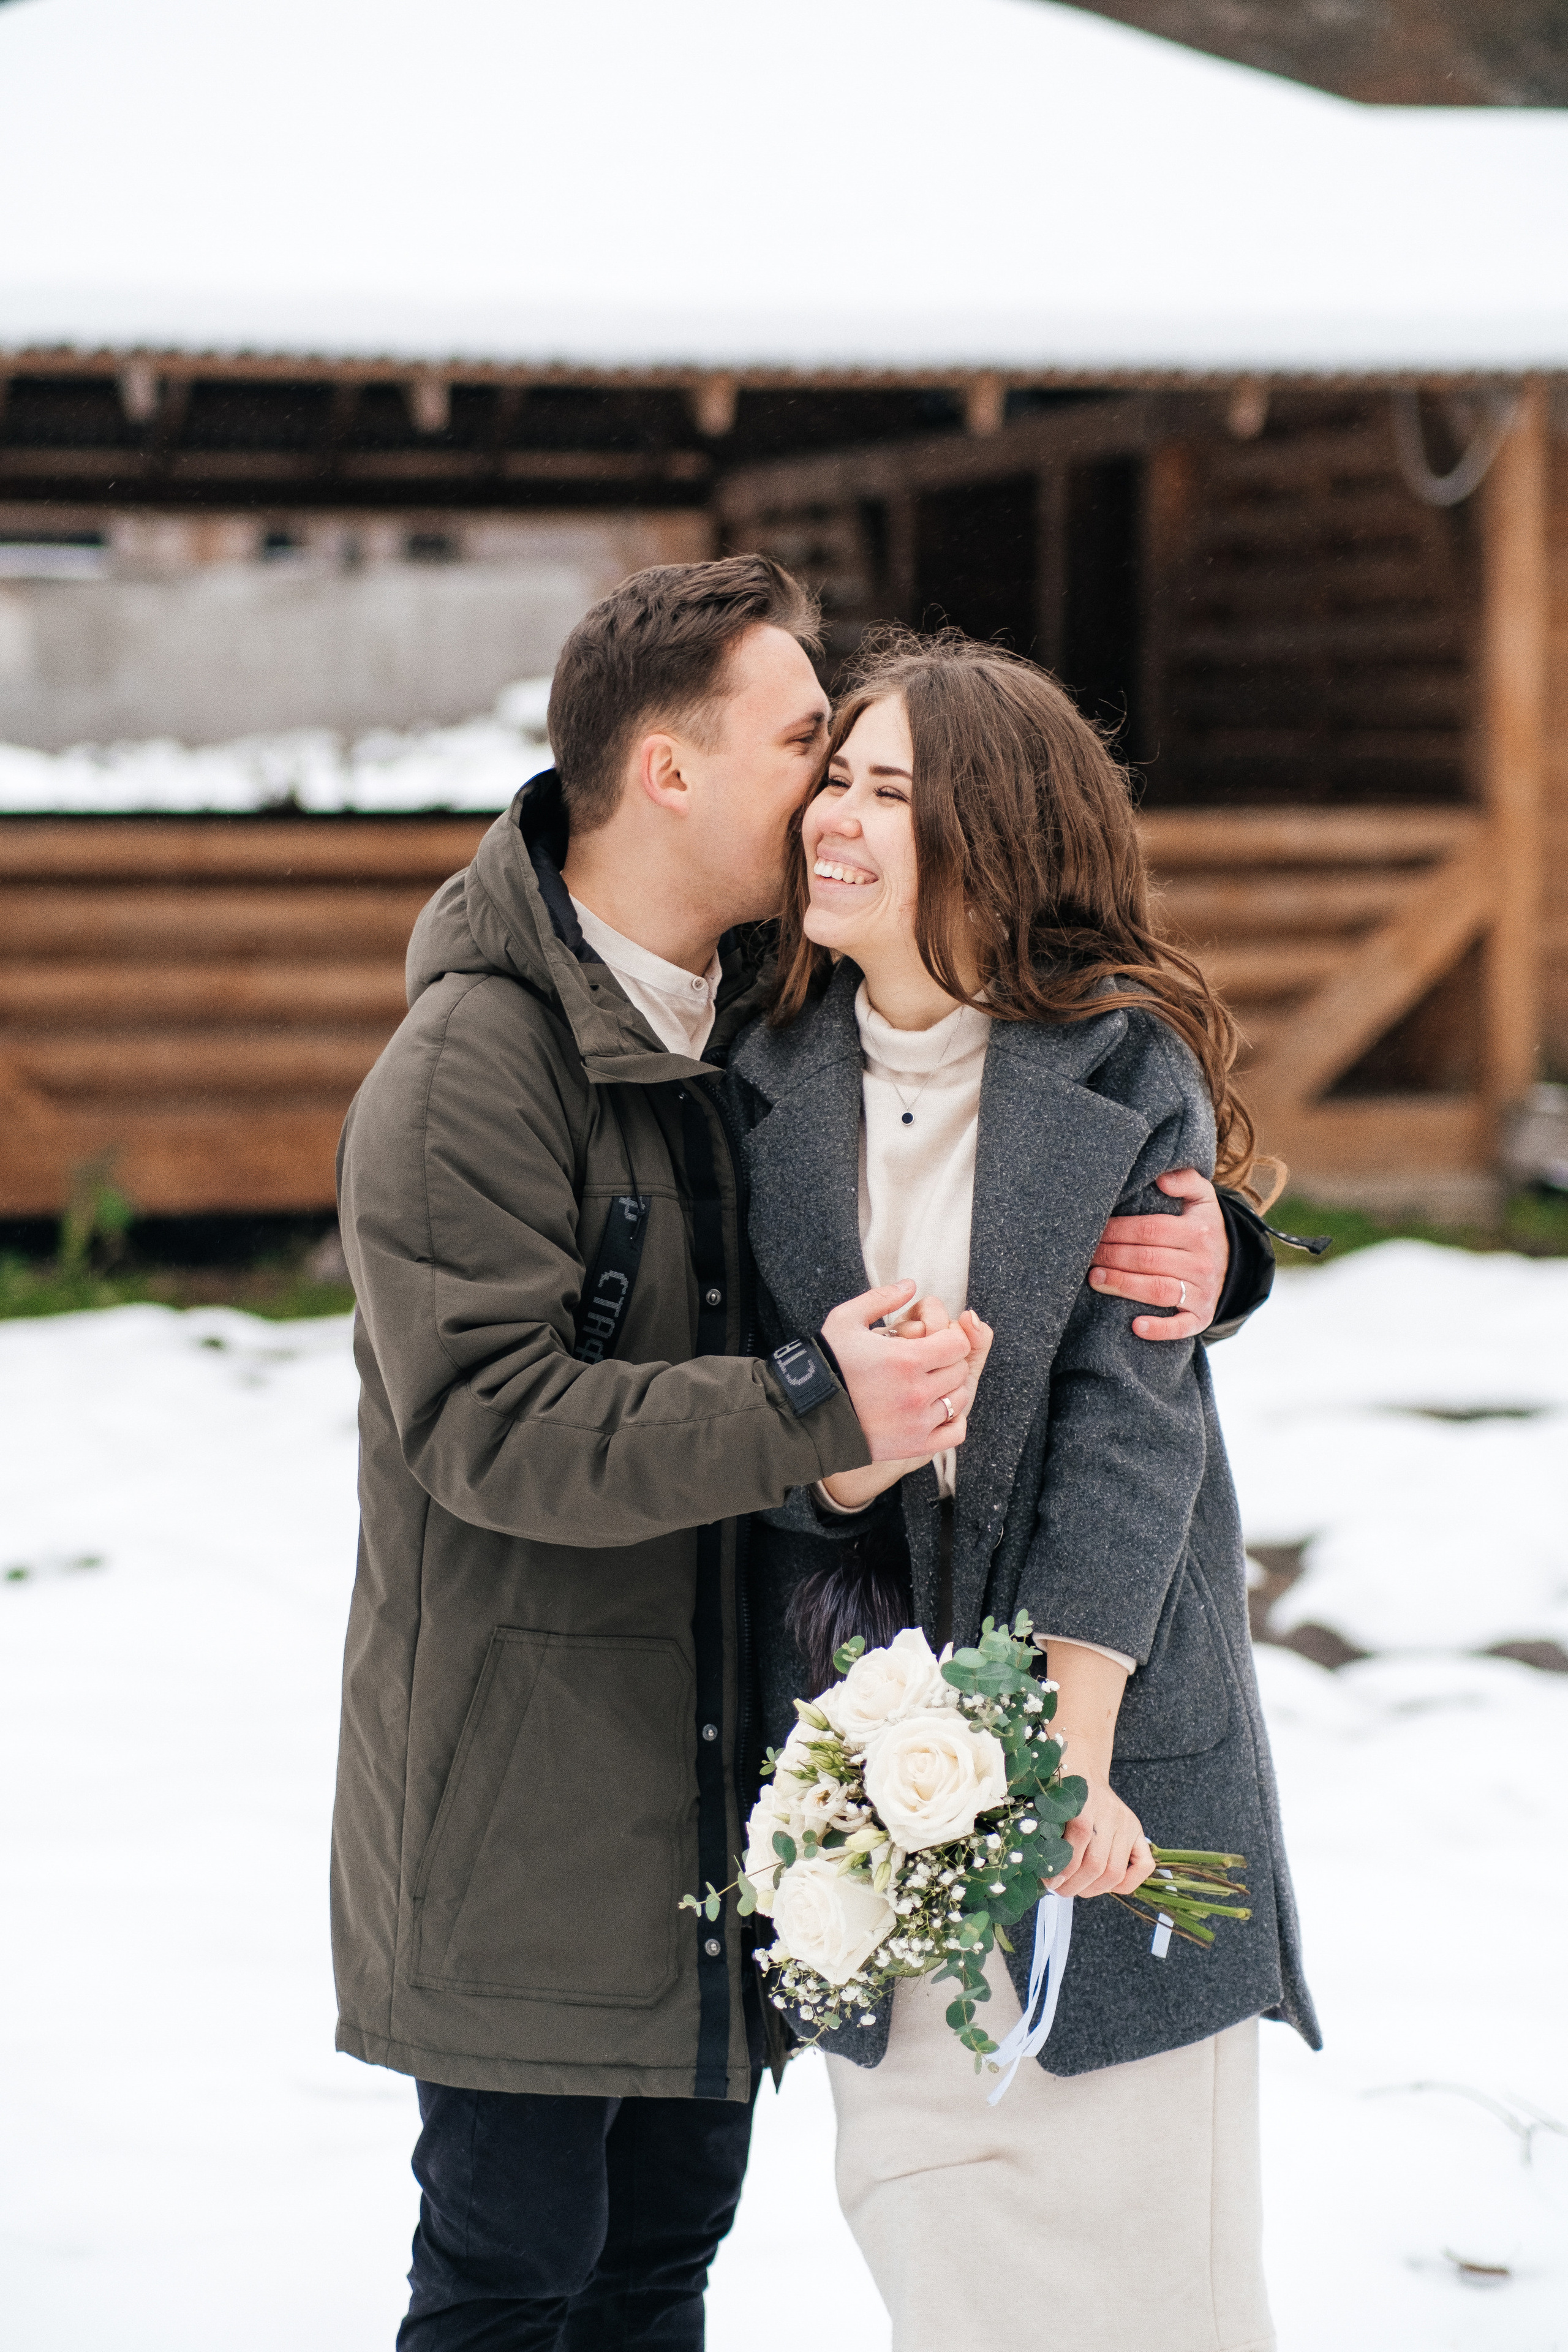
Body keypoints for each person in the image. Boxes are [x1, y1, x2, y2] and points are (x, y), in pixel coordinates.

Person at [331, 558, 1269, 2350]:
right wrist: (822, 1424)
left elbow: (1088, 1301)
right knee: (521, 2278)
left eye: (866, 772)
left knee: (664, 2266)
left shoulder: (736, 1018)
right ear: (676, 774)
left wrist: (1220, 1252)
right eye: (807, 752)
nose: (828, 799)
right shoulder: (556, 1060)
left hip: (756, 1780)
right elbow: (489, 1419)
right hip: (565, 1791)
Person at [727, 629, 1319, 2352]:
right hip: (874, 1781)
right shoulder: (758, 1082)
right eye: (833, 777)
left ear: (988, 835)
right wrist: (847, 1452)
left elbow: (1137, 1436)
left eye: (888, 791)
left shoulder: (1123, 1078)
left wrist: (1069, 1753)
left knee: (1159, 2299)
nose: (835, 817)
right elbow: (761, 1435)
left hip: (1113, 1771)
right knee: (948, 2278)